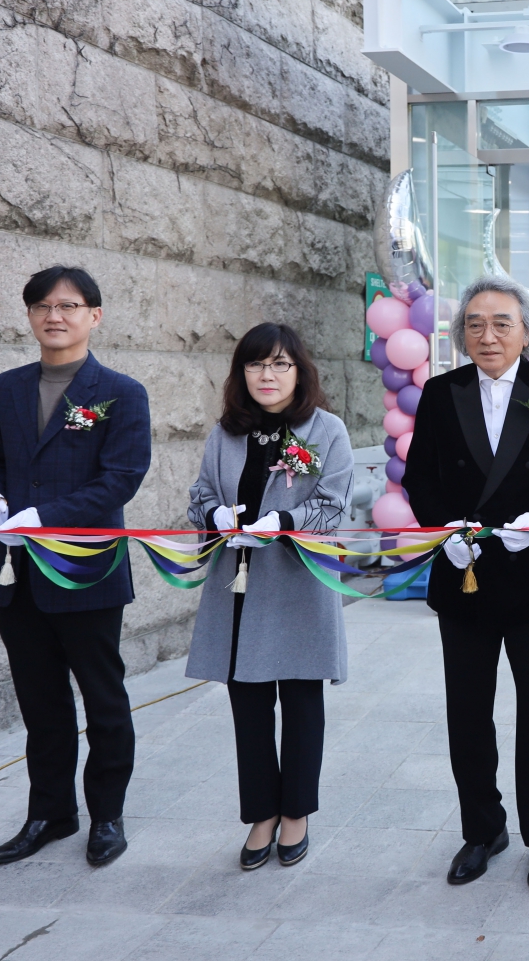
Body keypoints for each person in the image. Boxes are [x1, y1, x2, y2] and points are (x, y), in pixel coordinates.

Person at [402, 275, 529, 894]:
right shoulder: (441, 392)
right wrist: (444, 528)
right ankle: (482, 829)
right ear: (461, 333)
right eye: (476, 324)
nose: (488, 335)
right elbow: (421, 477)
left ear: (528, 333)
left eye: (502, 323)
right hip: (464, 571)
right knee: (468, 713)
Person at [0, 266, 152, 867]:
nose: (56, 315)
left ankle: (107, 815)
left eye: (69, 305)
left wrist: (41, 515)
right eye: (43, 305)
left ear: (94, 316)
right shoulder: (7, 388)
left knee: (103, 700)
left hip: (86, 572)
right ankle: (49, 813)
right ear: (28, 316)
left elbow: (119, 480)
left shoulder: (121, 393)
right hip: (16, 573)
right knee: (40, 703)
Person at [184, 324, 353, 869]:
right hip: (237, 584)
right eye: (257, 365)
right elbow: (201, 495)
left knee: (302, 701)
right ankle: (260, 812)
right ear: (242, 374)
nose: (268, 375)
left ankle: (297, 812)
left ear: (299, 372)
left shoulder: (324, 430)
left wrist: (284, 520)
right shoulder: (226, 432)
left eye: (281, 364)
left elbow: (333, 504)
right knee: (249, 705)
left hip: (298, 582)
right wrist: (213, 515)